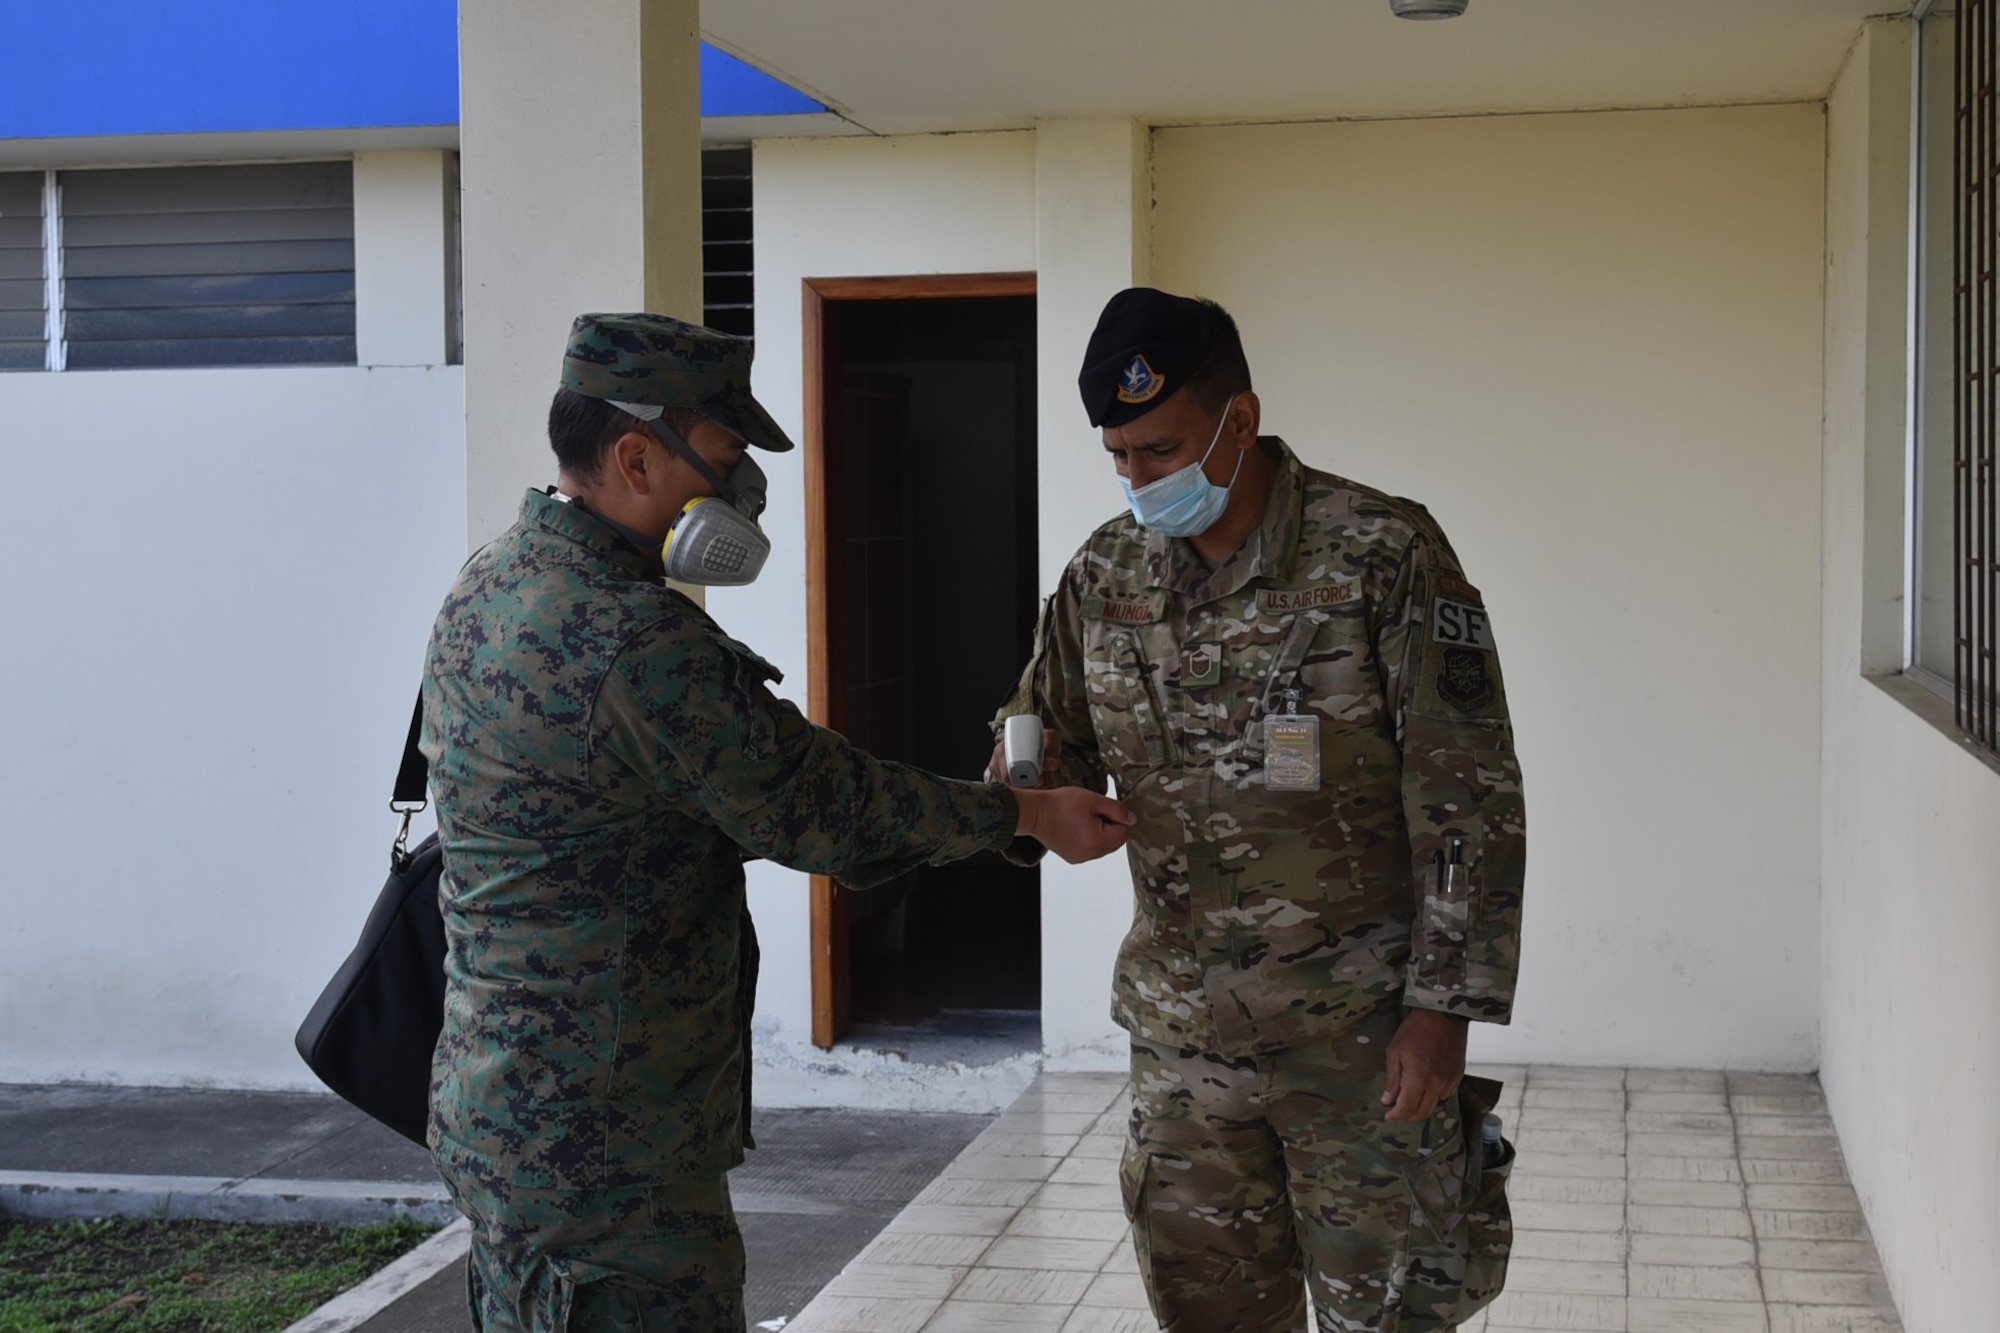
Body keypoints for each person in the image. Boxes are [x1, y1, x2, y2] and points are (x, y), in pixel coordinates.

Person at [420, 311, 1134, 1332]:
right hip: (609, 1149)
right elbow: (818, 805)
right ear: (632, 456)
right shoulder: (634, 641)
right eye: (719, 460)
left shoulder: (494, 580)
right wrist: (1020, 816)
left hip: (510, 1107)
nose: (739, 494)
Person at [992, 288, 1527, 1332]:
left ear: (1238, 420)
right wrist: (1027, 800)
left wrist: (1442, 1008)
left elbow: (1469, 792)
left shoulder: (1380, 553)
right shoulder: (1103, 575)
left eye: (1160, 448)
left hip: (1361, 1043)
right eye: (1118, 456)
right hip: (1182, 1053)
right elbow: (1037, 733)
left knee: (1391, 1315)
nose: (1138, 479)